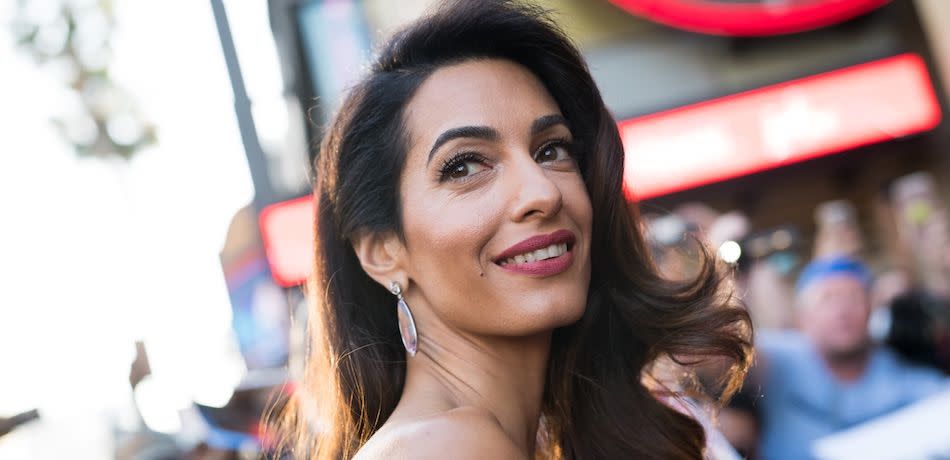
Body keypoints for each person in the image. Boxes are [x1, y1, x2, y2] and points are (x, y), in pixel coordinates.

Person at [274, 1, 752, 458]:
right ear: (382, 250)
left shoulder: (512, 437)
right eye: (463, 166)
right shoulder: (445, 449)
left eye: (551, 150)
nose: (542, 192)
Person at [755, 256, 948, 460]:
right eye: (827, 299)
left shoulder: (899, 369)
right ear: (802, 317)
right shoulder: (776, 361)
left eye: (853, 297)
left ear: (871, 309)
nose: (842, 310)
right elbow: (726, 351)